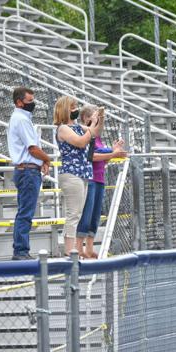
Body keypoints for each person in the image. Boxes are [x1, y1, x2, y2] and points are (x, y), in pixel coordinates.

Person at [76, 105, 127, 259]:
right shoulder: (85, 133)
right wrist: (112, 153)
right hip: (89, 179)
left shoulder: (97, 137)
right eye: (95, 118)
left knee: (95, 215)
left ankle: (89, 248)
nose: (98, 121)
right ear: (86, 119)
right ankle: (79, 248)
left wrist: (114, 152)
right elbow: (91, 157)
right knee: (86, 214)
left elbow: (103, 160)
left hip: (99, 178)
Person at [7, 86, 52, 260]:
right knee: (26, 213)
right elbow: (32, 148)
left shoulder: (19, 118)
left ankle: (21, 250)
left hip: (25, 170)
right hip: (27, 171)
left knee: (24, 212)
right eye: (29, 101)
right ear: (19, 102)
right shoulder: (21, 119)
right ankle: (21, 251)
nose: (33, 104)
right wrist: (47, 159)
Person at [54, 95, 95, 255]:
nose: (75, 110)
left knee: (77, 213)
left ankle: (71, 249)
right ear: (65, 110)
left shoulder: (78, 127)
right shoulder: (63, 128)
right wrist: (91, 128)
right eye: (72, 107)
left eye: (76, 106)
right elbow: (81, 142)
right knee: (73, 213)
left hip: (82, 173)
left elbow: (95, 133)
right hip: (71, 173)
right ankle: (69, 249)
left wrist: (98, 120)